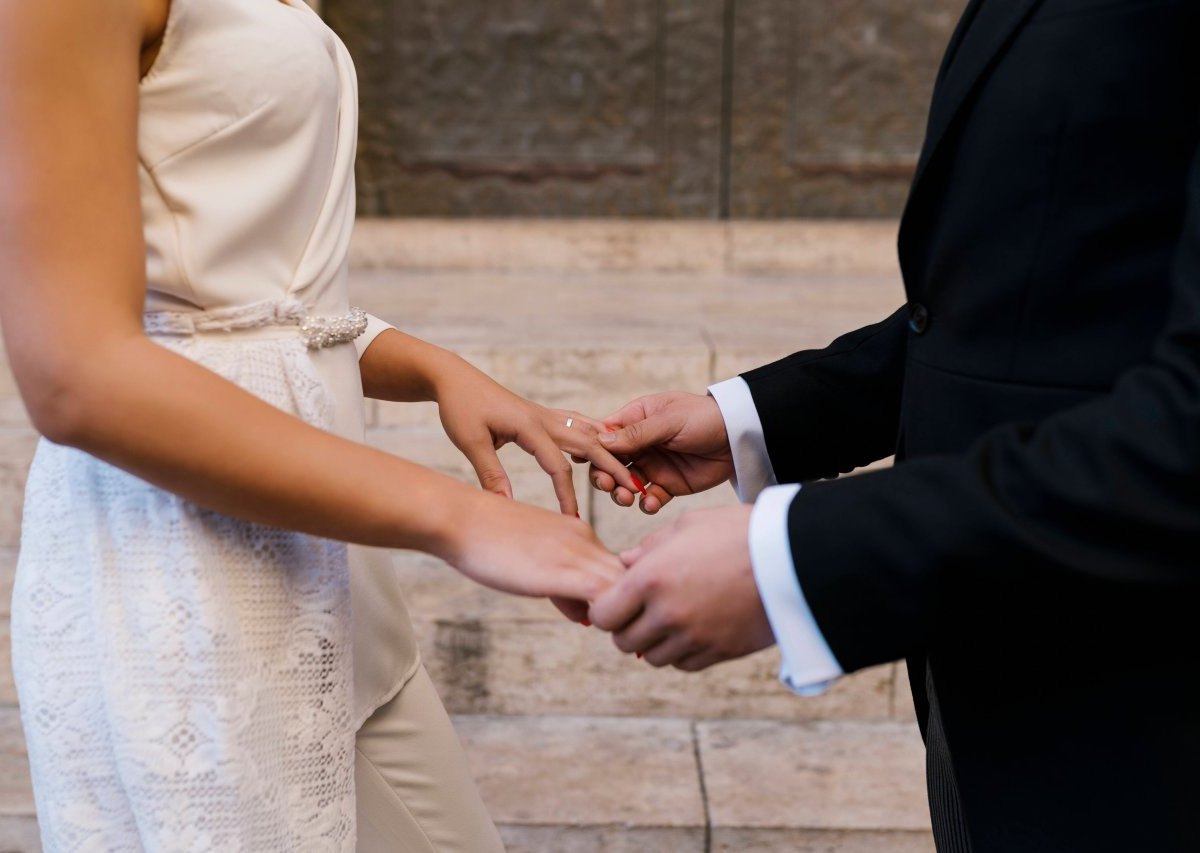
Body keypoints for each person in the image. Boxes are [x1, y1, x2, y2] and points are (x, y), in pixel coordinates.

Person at [0, 1, 636, 850]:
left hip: (322, 561)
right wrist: (459, 515)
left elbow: (242, 296)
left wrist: (434, 366)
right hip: (188, 569)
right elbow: (77, 374)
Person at [587, 0, 1200, 850]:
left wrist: (795, 557)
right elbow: (1044, 299)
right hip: (999, 684)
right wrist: (753, 419)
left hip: (1146, 713)